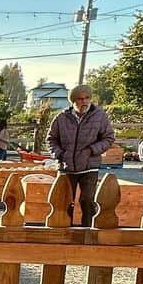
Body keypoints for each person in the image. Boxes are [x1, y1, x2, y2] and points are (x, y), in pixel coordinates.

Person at [48, 84, 116, 227]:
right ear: (73, 101)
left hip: (89, 166)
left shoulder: (100, 116)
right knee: (65, 201)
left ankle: (87, 232)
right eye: (80, 99)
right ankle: (66, 230)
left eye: (87, 98)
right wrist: (59, 154)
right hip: (66, 167)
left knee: (87, 201)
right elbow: (51, 139)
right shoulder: (61, 117)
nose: (84, 101)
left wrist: (92, 150)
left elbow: (109, 138)